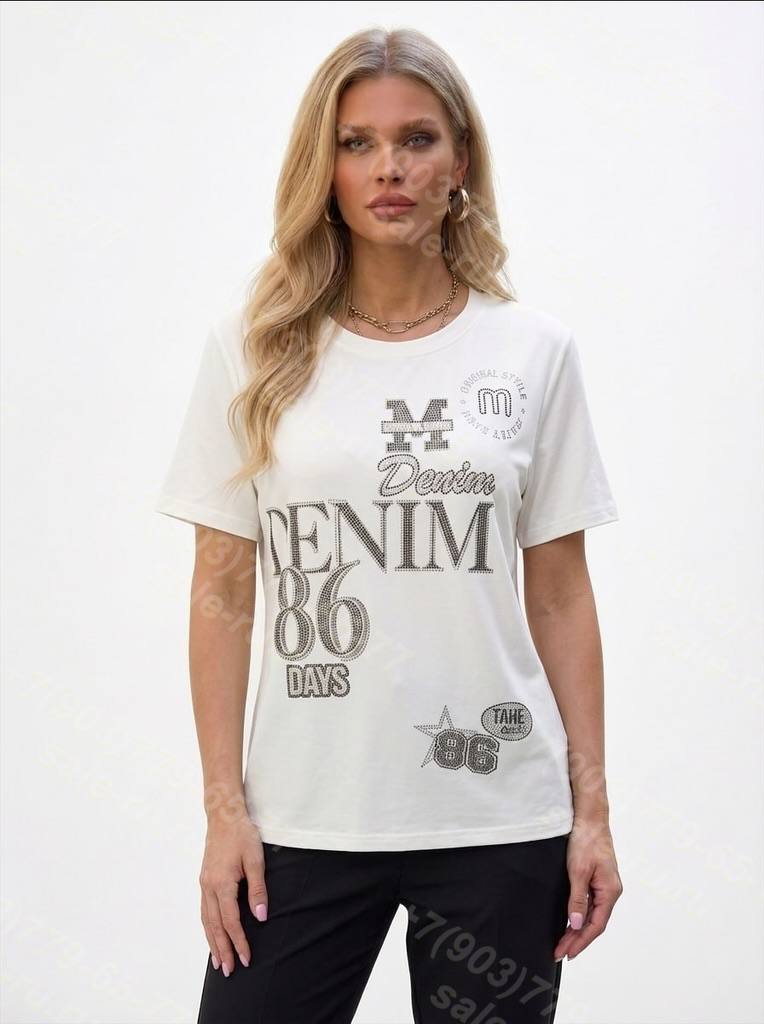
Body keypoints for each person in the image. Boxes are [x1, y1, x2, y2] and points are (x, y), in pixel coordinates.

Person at [154, 25, 624, 1024]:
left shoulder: (531, 352)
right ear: (322, 167)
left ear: (460, 160)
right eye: (356, 143)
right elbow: (221, 592)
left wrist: (591, 811)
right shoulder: (254, 350)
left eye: (416, 139)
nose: (389, 169)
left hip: (497, 816)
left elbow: (558, 594)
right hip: (302, 816)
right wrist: (224, 811)